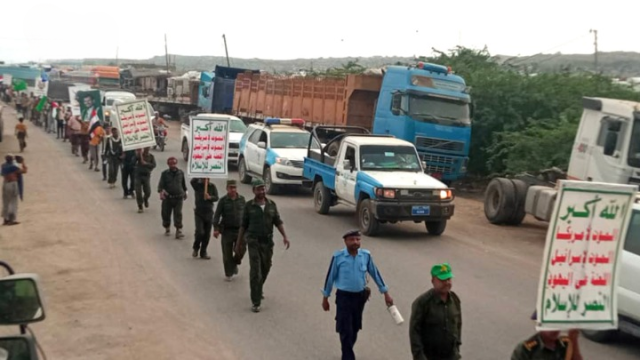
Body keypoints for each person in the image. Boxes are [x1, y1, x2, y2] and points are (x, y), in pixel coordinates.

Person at [322, 229, 394, 360]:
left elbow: (375, 274)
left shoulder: (365, 256)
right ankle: (348, 356)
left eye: (357, 239)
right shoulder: (338, 257)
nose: (355, 242)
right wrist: (325, 298)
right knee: (345, 329)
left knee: (355, 327)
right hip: (343, 297)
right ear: (345, 241)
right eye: (352, 240)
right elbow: (330, 278)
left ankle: (346, 349)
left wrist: (386, 293)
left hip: (359, 298)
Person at [235, 179, 290, 313]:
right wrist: (239, 243)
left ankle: (258, 288)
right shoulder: (249, 206)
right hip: (253, 241)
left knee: (266, 267)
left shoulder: (271, 205)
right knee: (256, 271)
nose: (262, 191)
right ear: (254, 191)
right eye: (259, 189)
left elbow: (277, 221)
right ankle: (256, 301)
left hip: (267, 242)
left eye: (263, 188)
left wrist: (285, 236)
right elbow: (243, 226)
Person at [409, 263, 462, 360]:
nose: (446, 283)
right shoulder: (422, 303)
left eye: (448, 279)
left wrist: (457, 348)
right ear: (433, 281)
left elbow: (458, 325)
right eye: (442, 280)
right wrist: (419, 356)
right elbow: (414, 332)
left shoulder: (455, 300)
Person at [510, 311, 583, 360]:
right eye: (549, 325)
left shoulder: (565, 345)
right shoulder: (526, 349)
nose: (554, 329)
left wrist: (573, 339)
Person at [213, 179, 246, 280]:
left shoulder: (242, 199)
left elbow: (246, 215)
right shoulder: (223, 201)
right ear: (227, 189)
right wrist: (216, 229)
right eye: (231, 188)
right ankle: (228, 273)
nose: (233, 190)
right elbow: (217, 215)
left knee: (242, 249)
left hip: (240, 230)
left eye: (234, 187)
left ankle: (235, 262)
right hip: (227, 230)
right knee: (227, 254)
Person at [157, 157, 187, 238]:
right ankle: (167, 227)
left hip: (179, 197)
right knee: (166, 214)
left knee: (178, 213)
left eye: (174, 163)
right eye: (171, 164)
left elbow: (183, 184)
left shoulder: (181, 173)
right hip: (168, 198)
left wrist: (185, 192)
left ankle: (179, 230)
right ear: (168, 164)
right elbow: (160, 186)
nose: (173, 165)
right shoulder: (164, 174)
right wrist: (161, 192)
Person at [190, 178, 219, 259]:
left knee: (206, 234)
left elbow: (216, 197)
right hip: (199, 213)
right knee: (200, 232)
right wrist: (199, 174)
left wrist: (210, 197)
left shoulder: (212, 186)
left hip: (209, 213)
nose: (206, 179)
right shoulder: (197, 185)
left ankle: (203, 251)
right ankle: (196, 248)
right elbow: (192, 181)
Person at [2, 155, 27, 225]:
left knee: (6, 202)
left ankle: (5, 219)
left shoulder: (3, 166)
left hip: (5, 184)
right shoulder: (14, 167)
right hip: (13, 184)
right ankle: (12, 220)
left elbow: (2, 174)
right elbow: (24, 171)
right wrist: (23, 162)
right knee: (13, 202)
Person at [133, 147, 156, 213]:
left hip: (146, 176)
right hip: (138, 176)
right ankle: (140, 206)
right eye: (146, 148)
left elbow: (154, 165)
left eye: (148, 148)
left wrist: (146, 164)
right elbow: (132, 162)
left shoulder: (151, 157)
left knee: (148, 192)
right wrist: (137, 155)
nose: (147, 149)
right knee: (138, 192)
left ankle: (145, 199)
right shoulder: (139, 155)